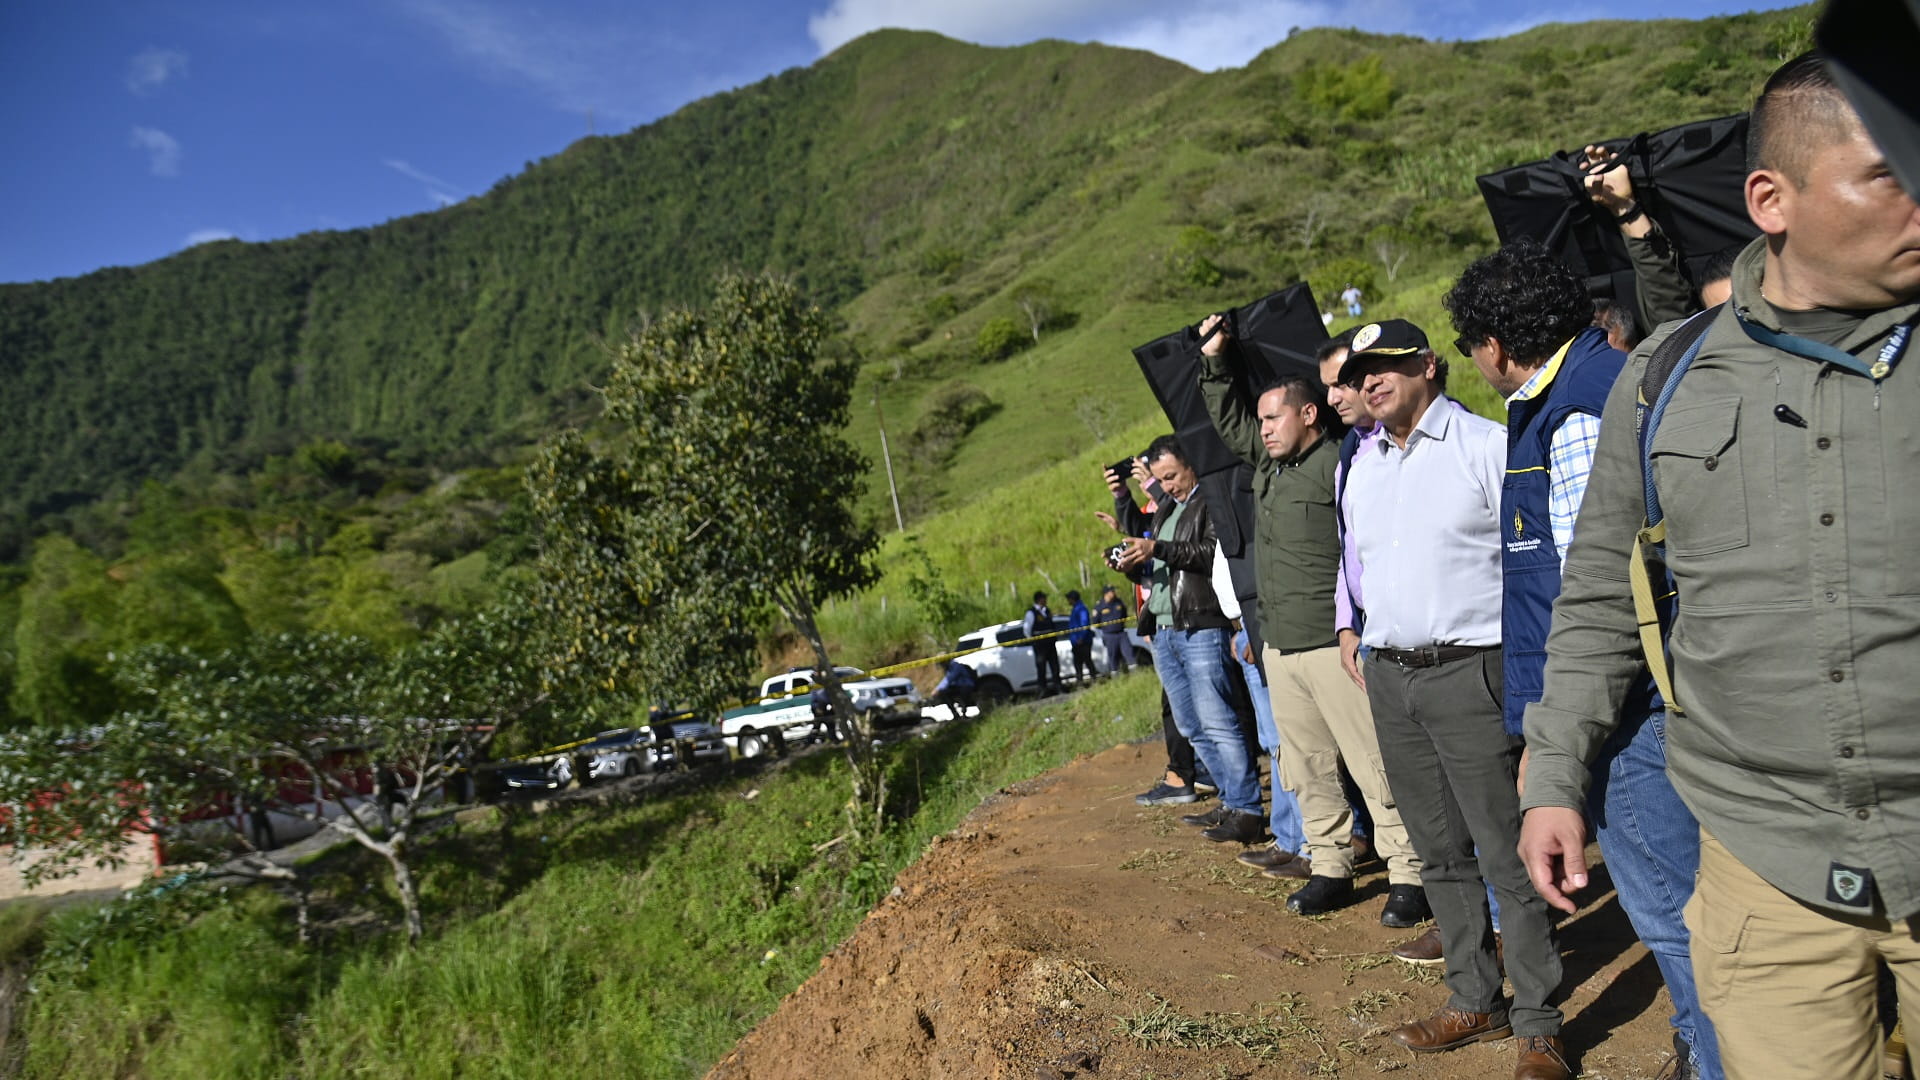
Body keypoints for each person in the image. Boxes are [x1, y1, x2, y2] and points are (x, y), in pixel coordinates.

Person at [1520, 53, 1920, 1080]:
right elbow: (1604, 595)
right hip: (1764, 867)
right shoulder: (1662, 382)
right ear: (1770, 199)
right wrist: (1555, 775)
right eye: (1891, 172)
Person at [1446, 240, 1721, 1080]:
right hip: (1636, 695)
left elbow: (1592, 588)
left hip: (1626, 710)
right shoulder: (1594, 385)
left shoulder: (1576, 414)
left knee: (1671, 907)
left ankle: (1716, 1055)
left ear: (1494, 345)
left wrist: (1563, 727)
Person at [1339, 319, 1568, 1080]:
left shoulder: (1485, 447)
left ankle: (1539, 1022)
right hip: (1391, 677)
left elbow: (1533, 572)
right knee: (1437, 851)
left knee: (1503, 850)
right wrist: (1359, 633)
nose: (1370, 381)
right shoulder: (1362, 465)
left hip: (1471, 671)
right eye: (1360, 371)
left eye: (1387, 366)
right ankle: (1474, 996)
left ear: (1429, 367)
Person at [1195, 317, 1426, 924]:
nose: (1262, 429)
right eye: (1261, 420)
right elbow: (1229, 420)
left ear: (1308, 417)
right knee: (1307, 770)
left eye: (1274, 419)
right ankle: (1329, 866)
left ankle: (1408, 871)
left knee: (1374, 764)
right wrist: (1215, 358)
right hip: (1283, 651)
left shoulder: (1339, 463)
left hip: (1336, 646)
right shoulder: (1266, 467)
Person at [1104, 436, 1267, 845]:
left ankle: (1247, 808)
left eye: (1172, 476)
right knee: (1191, 726)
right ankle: (1231, 799)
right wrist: (1134, 559)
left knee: (1218, 721)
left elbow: (1211, 552)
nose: (1168, 485)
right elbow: (1159, 563)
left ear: (1191, 465)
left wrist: (1157, 546)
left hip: (1199, 623)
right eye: (1160, 479)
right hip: (1163, 627)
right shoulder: (1167, 510)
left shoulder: (1208, 501)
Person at [1582, 144, 1738, 328]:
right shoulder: (1703, 351)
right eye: (1723, 320)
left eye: (1745, 311)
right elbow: (1670, 309)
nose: (1738, 331)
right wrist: (1625, 208)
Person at [1022, 591, 1064, 696]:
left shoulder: (1047, 611)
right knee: (1041, 669)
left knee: (1055, 667)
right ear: (1039, 600)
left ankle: (1058, 688)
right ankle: (1043, 690)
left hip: (1050, 644)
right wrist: (1034, 641)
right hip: (1040, 646)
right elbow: (1027, 630)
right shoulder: (1031, 613)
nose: (1046, 600)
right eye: (1044, 598)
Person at [1092, 584, 1135, 674]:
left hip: (1121, 633)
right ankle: (1116, 677)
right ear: (1106, 593)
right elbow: (1096, 622)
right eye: (1111, 591)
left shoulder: (1118, 602)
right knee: (1113, 657)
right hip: (1109, 635)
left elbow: (1124, 614)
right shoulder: (1100, 606)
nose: (1113, 593)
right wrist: (1107, 628)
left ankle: (1136, 675)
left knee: (1129, 653)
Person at [1065, 589, 1095, 683]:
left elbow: (1084, 624)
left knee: (1087, 661)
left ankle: (1094, 680)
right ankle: (1080, 682)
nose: (1068, 601)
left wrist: (1081, 638)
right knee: (1078, 664)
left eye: (1069, 599)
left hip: (1083, 642)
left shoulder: (1081, 609)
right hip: (1076, 642)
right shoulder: (1075, 609)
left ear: (1072, 599)